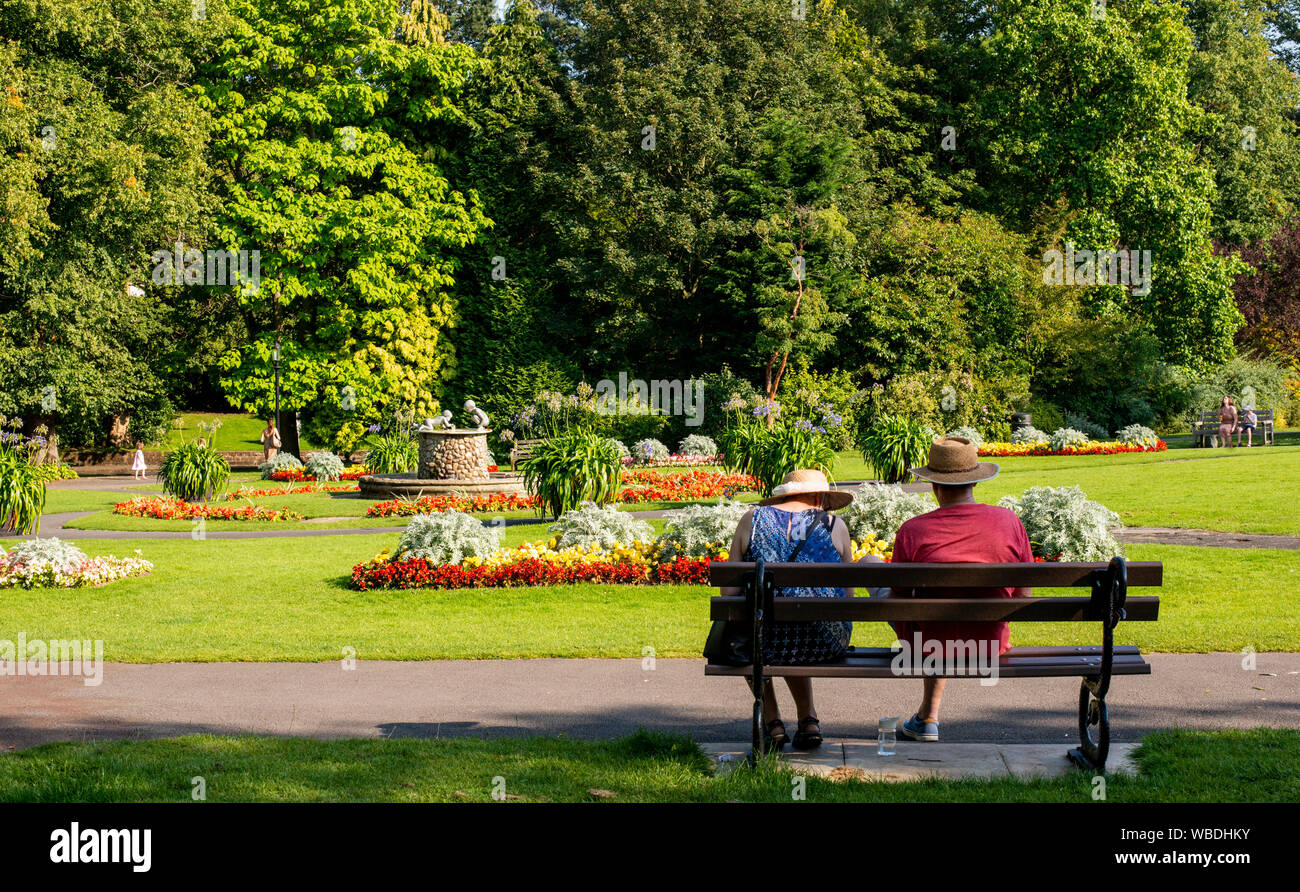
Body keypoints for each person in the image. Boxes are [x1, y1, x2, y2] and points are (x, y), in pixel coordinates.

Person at [867, 437, 1033, 743]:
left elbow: (898, 603)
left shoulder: (913, 530)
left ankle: (928, 718)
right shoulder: (1009, 522)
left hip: (929, 643)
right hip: (988, 643)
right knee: (935, 613)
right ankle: (927, 716)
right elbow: (1025, 596)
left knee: (871, 566)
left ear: (934, 486)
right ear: (975, 482)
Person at [720, 468, 854, 751]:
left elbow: (728, 593)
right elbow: (848, 598)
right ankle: (808, 720)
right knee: (799, 622)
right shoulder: (834, 525)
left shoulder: (752, 521)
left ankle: (773, 724)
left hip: (762, 643)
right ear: (819, 496)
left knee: (756, 629)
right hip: (826, 642)